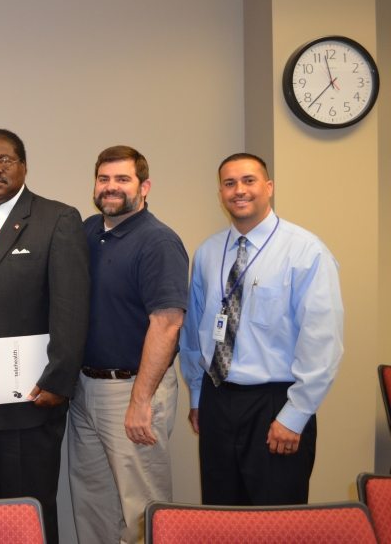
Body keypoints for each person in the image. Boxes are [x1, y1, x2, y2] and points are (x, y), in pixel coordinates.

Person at [0, 129, 90, 543]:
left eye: (4, 160)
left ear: (24, 165)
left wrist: (57, 381)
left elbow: (71, 308)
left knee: (28, 515)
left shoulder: (56, 219)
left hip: (29, 399)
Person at [179, 152, 344, 505]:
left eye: (249, 180)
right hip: (217, 399)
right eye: (229, 183)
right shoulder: (207, 253)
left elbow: (322, 343)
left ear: (268, 187)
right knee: (221, 515)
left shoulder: (305, 252)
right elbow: (195, 331)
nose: (239, 190)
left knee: (276, 521)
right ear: (221, 192)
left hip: (275, 404)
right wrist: (197, 396)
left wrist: (296, 414)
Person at [68, 146, 188, 544]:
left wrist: (140, 402)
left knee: (142, 510)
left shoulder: (158, 241)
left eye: (122, 179)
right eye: (104, 179)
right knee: (92, 505)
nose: (111, 188)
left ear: (145, 186)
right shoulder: (88, 231)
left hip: (132, 391)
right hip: (85, 390)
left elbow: (168, 324)